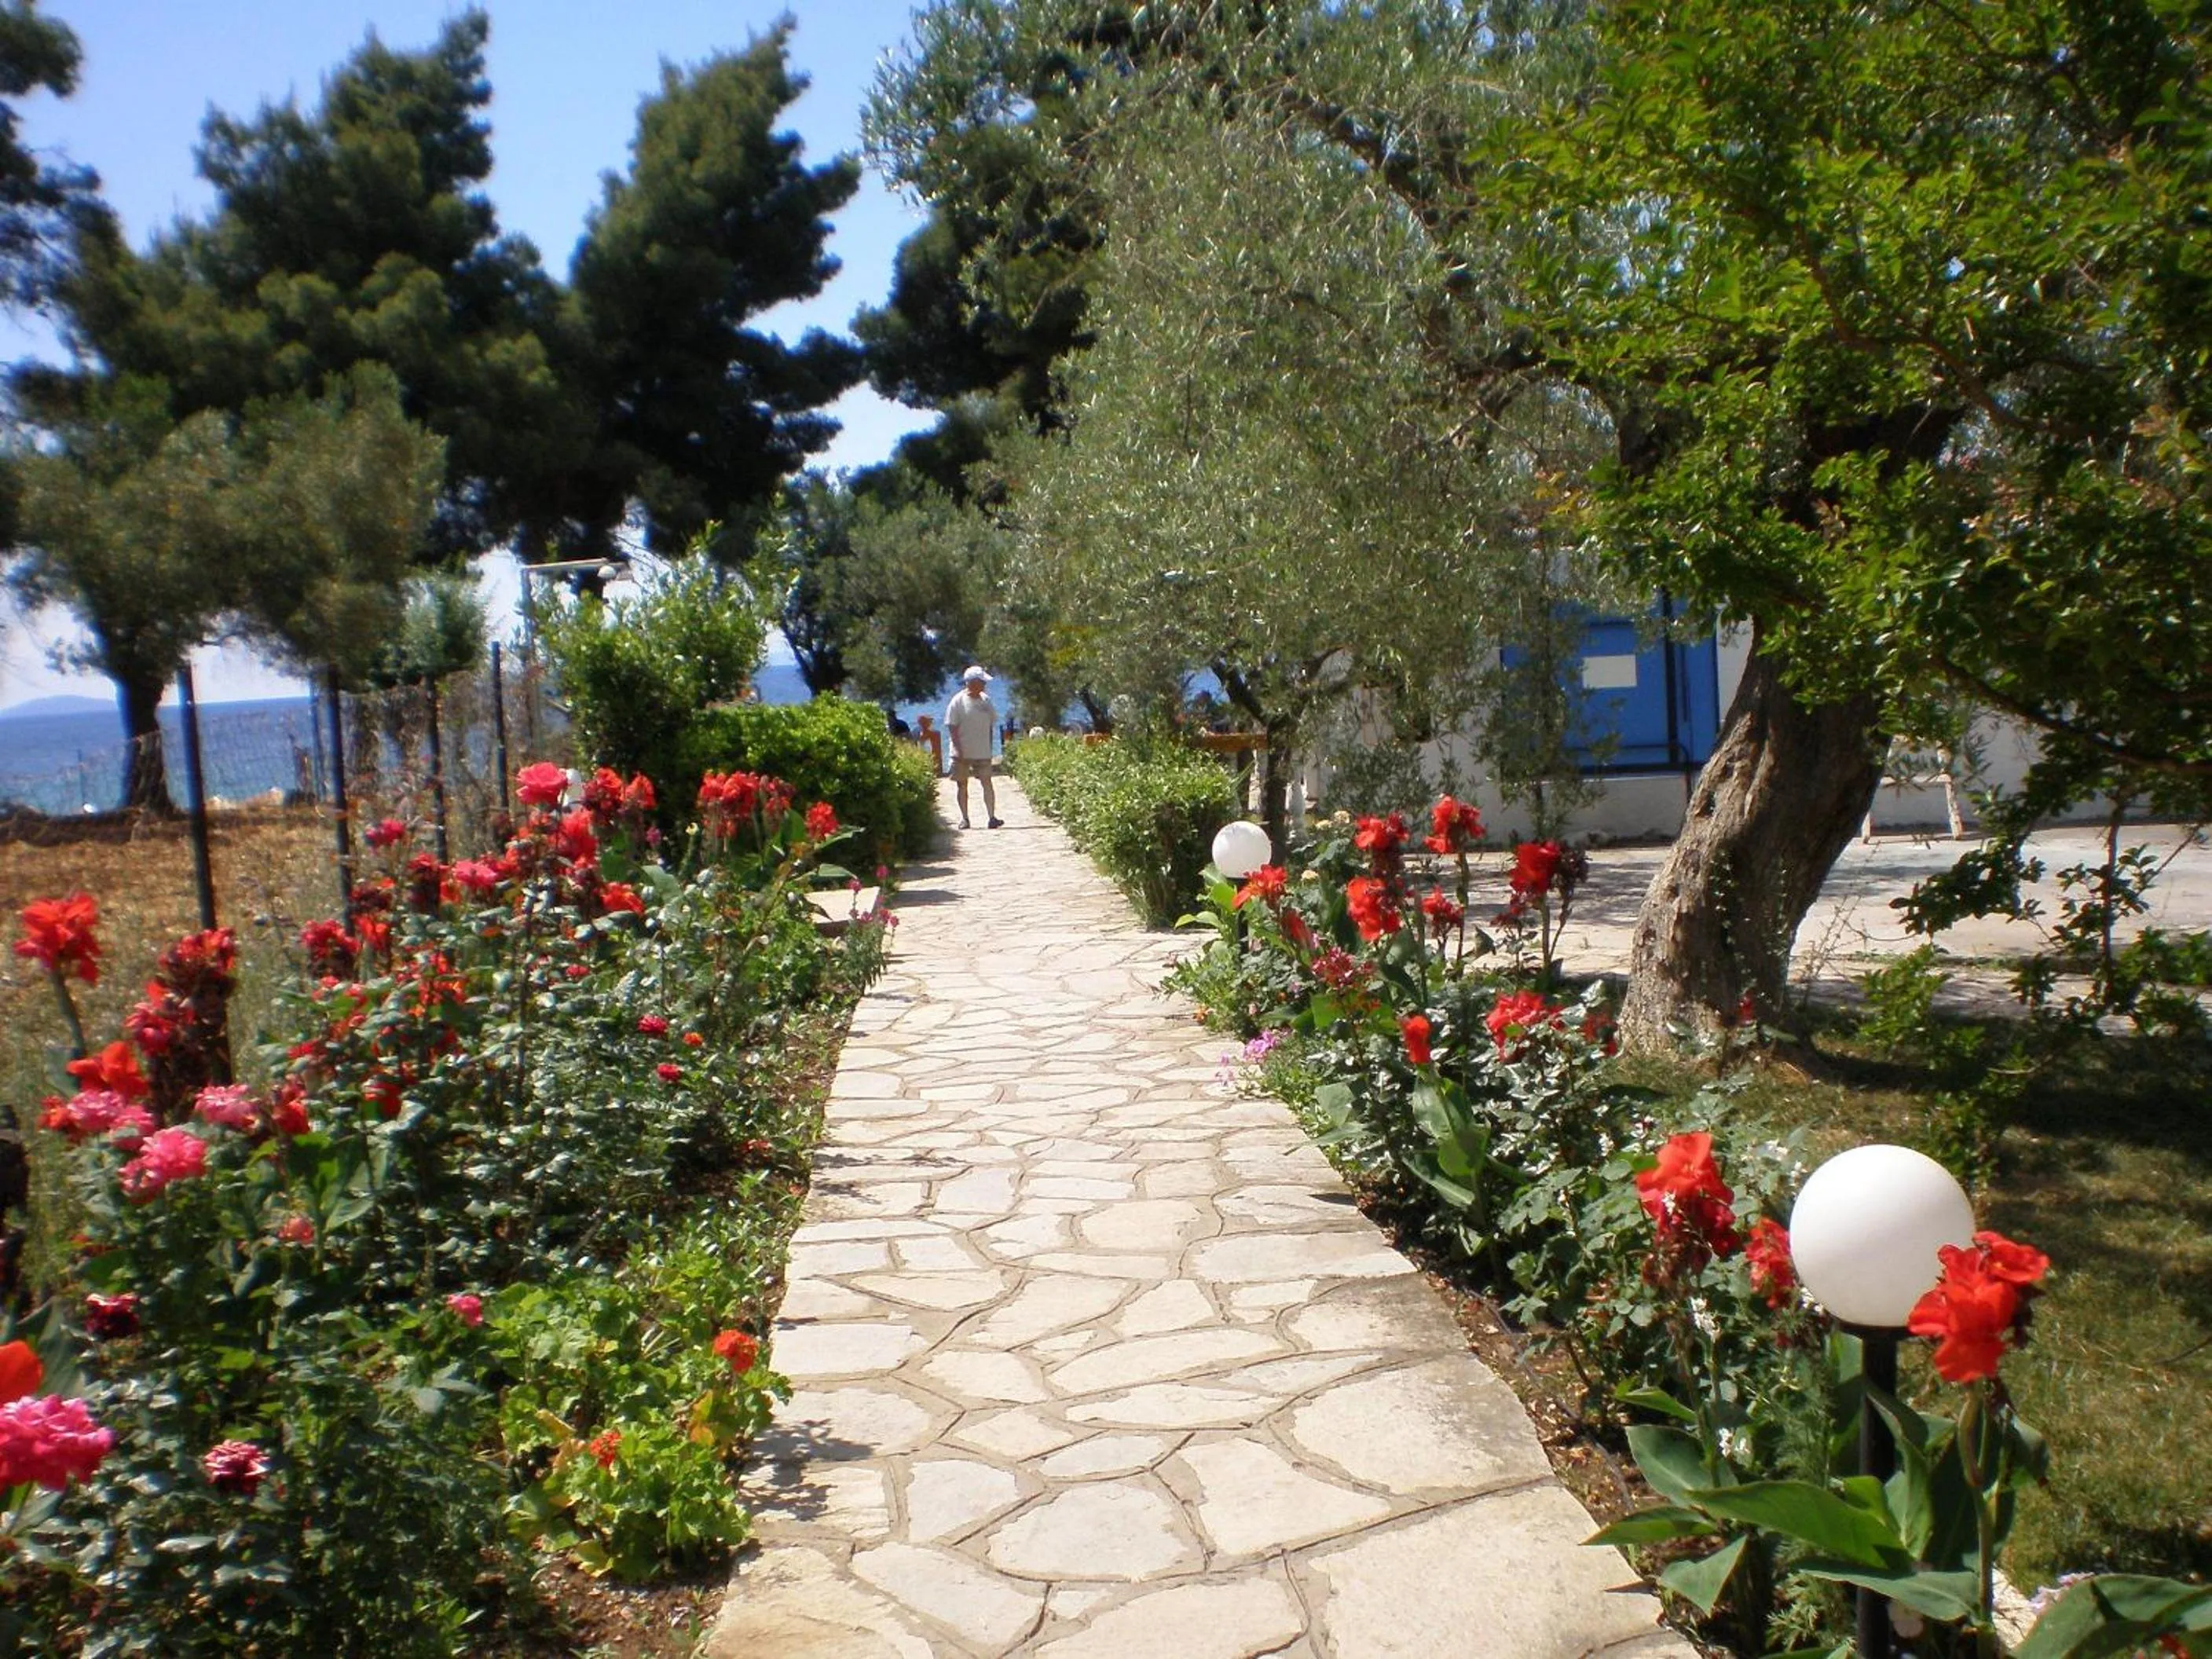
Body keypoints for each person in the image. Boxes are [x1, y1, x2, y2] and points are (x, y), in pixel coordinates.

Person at [944, 665, 1003, 830]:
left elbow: (991, 723)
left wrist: (990, 747)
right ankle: (965, 818)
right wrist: (957, 748)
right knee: (962, 784)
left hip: (982, 751)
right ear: (972, 683)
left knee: (987, 782)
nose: (984, 685)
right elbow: (952, 726)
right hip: (962, 752)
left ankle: (992, 817)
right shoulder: (958, 701)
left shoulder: (986, 700)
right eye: (982, 682)